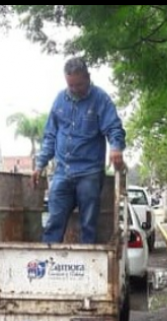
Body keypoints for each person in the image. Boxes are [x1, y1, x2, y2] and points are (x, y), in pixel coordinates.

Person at [33, 57, 126, 244]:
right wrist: (40, 164)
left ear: (88, 77)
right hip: (62, 171)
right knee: (53, 222)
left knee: (88, 225)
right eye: (71, 85)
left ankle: (87, 267)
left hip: (89, 172)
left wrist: (115, 148)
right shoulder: (60, 100)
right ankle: (47, 266)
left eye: (79, 84)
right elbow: (50, 135)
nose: (75, 89)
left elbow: (114, 128)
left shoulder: (101, 99)